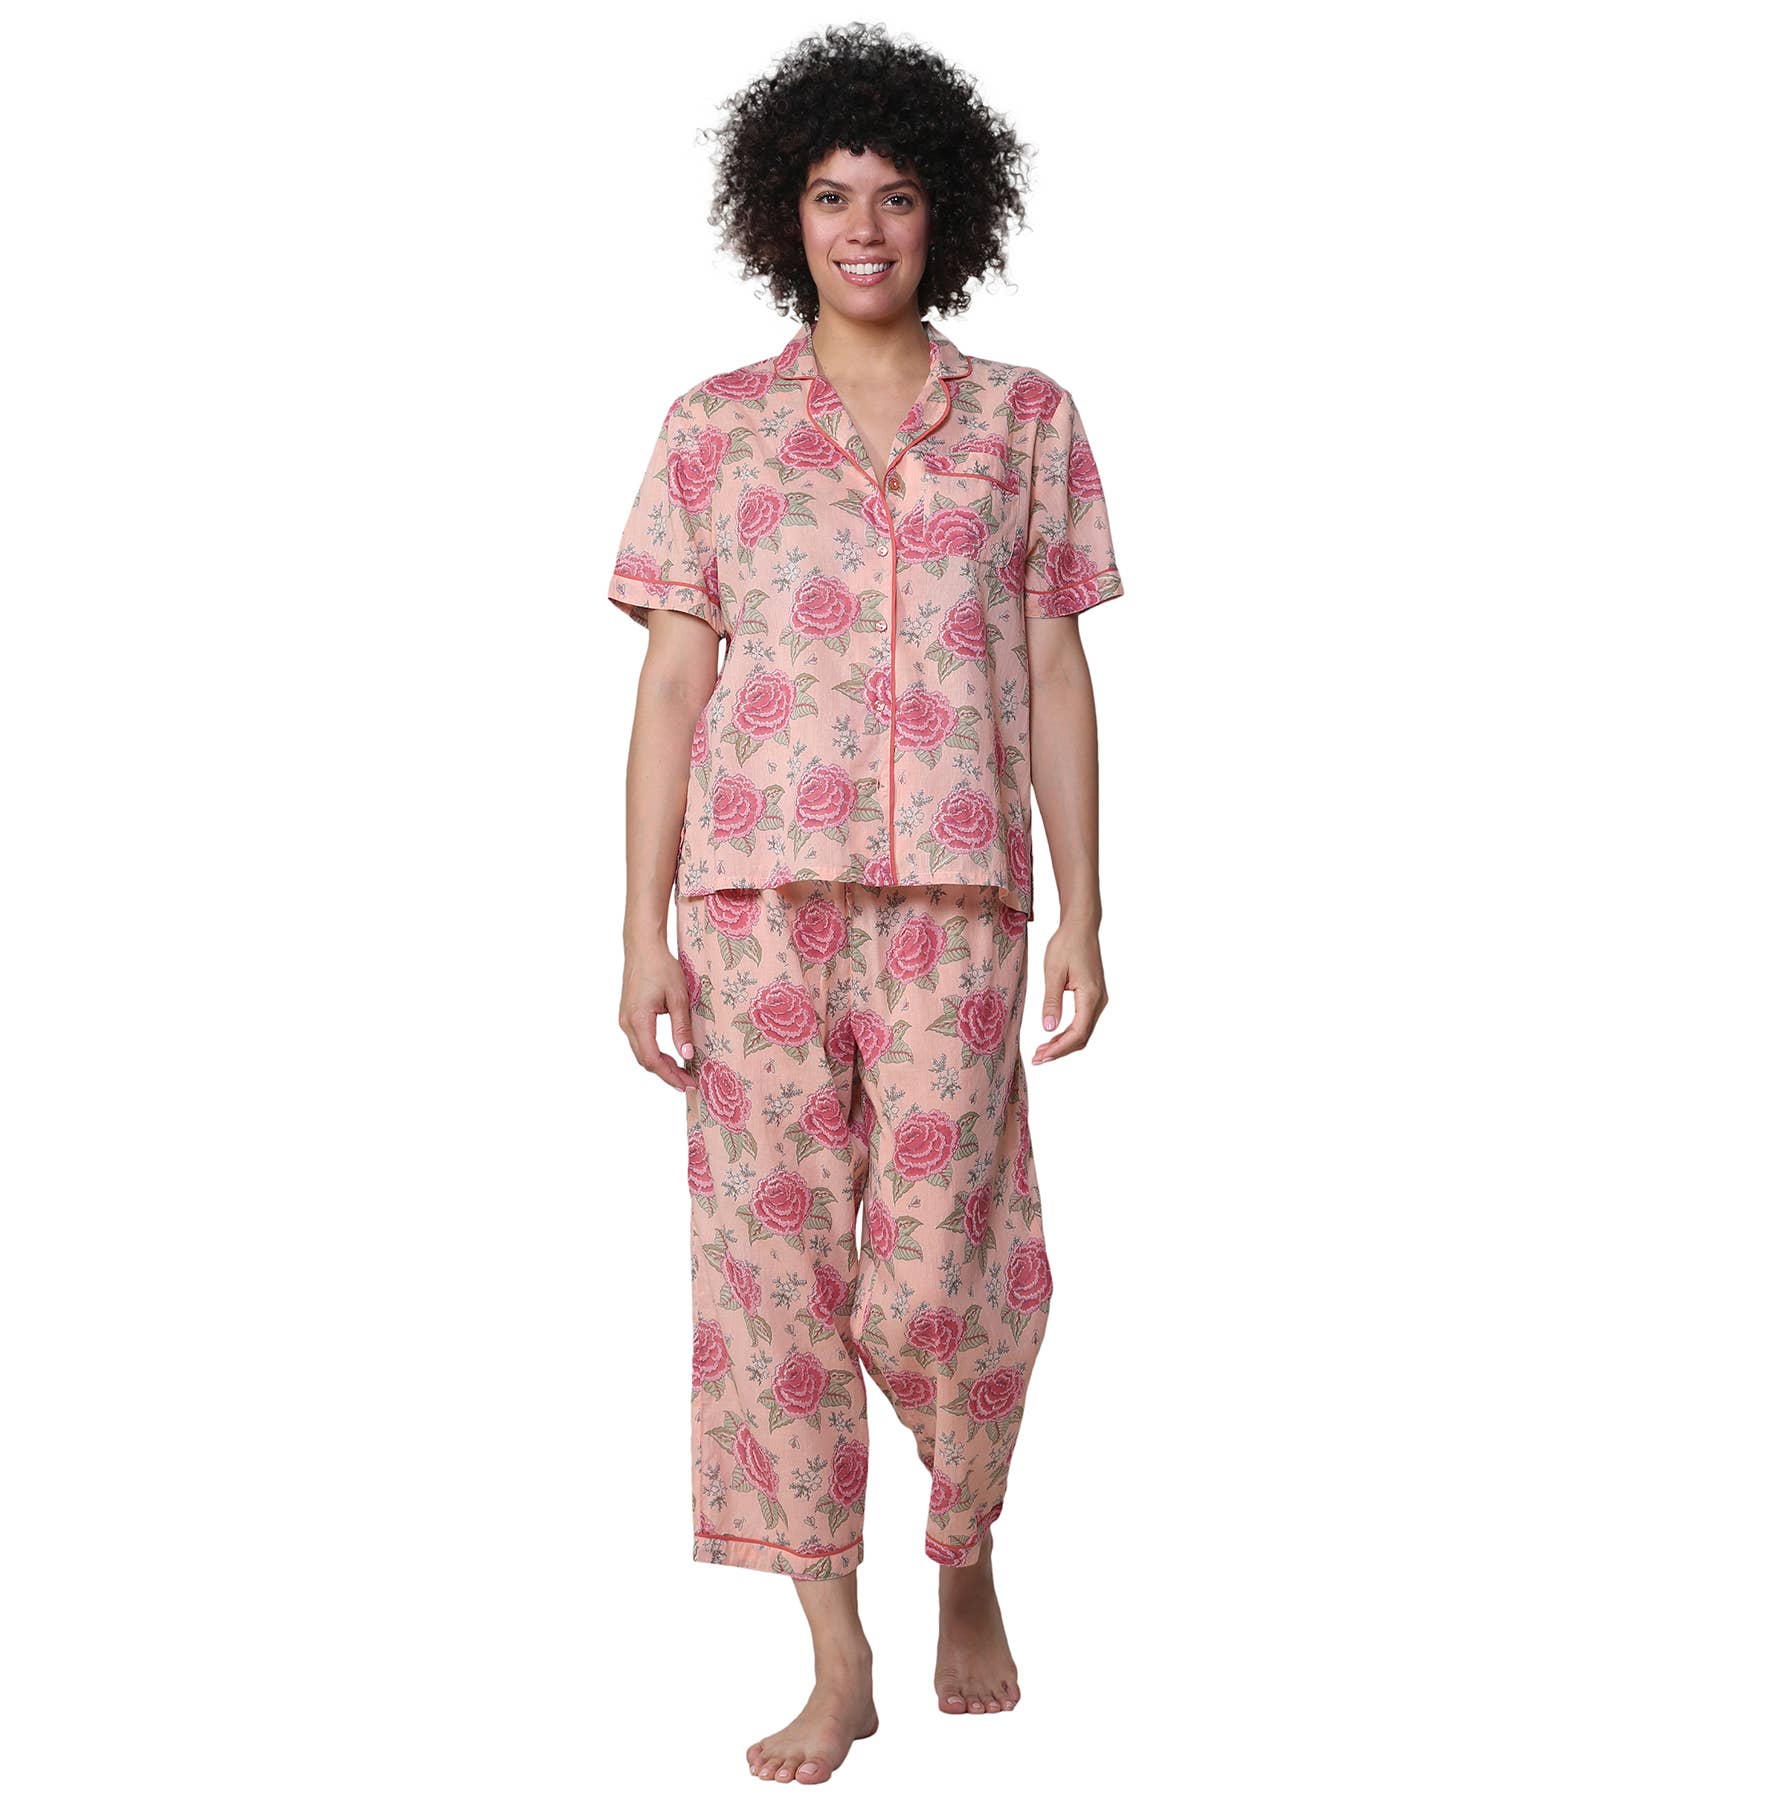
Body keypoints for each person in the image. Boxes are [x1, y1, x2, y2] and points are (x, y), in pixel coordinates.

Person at [610, 24, 1124, 1785]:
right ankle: (838, 1658)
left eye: (897, 197)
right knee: (769, 1281)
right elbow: (670, 689)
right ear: (786, 212)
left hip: (958, 905)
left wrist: (1085, 907)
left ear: (944, 213)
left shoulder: (1028, 423)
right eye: (832, 196)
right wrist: (638, 928)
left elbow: (1053, 670)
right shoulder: (715, 431)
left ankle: (962, 1543)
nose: (864, 228)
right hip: (753, 901)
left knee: (941, 1270)